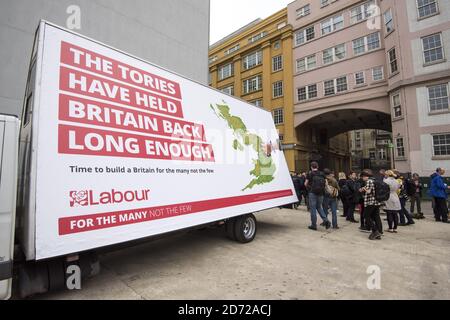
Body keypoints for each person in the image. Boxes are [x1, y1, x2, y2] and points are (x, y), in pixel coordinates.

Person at [305, 162, 331, 231]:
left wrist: (309, 188)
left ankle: (314, 225)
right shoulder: (322, 174)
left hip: (312, 193)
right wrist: (329, 190)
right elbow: (326, 184)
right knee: (319, 207)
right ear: (318, 166)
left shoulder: (310, 174)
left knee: (313, 209)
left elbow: (305, 183)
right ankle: (326, 221)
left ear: (311, 167)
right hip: (321, 193)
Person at [359, 169, 383, 240]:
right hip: (377, 202)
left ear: (365, 176)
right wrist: (363, 188)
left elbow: (369, 191)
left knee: (366, 215)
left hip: (370, 202)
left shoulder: (369, 181)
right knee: (376, 217)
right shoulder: (374, 180)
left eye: (362, 177)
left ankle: (375, 230)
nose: (362, 178)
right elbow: (372, 189)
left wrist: (364, 190)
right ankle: (379, 232)